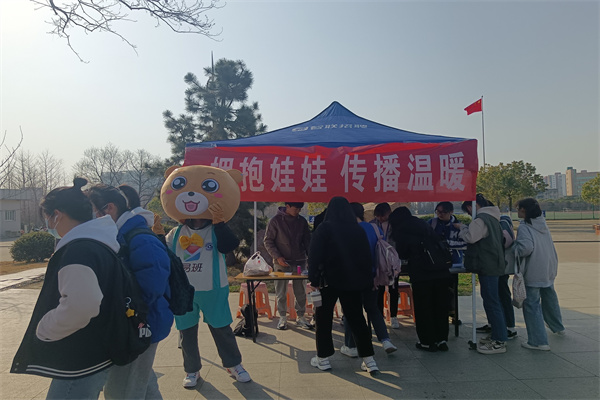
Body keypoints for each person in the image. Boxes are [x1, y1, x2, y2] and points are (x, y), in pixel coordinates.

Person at [11, 178, 120, 399]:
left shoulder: (78, 250)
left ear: (57, 214)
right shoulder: (98, 242)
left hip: (79, 356)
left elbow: (82, 306)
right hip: (97, 348)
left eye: (46, 217)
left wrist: (44, 328)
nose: (48, 224)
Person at [159, 164, 251, 387]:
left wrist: (220, 223)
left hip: (213, 289)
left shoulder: (216, 230)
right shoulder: (176, 233)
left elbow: (228, 245)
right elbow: (163, 255)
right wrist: (158, 236)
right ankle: (192, 370)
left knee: (221, 329)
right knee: (186, 332)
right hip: (184, 291)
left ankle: (234, 364)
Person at [86, 184, 173, 399]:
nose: (90, 218)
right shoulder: (121, 235)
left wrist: (122, 311)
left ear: (109, 208)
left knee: (121, 391)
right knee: (143, 385)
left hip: (139, 325)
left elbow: (152, 285)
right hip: (134, 324)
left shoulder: (139, 238)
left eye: (92, 211)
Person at [308, 197, 380, 375]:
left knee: (323, 319)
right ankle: (369, 360)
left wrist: (314, 280)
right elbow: (366, 257)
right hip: (353, 282)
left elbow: (314, 255)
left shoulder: (324, 228)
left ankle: (323, 359)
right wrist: (367, 281)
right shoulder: (357, 230)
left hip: (328, 282)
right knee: (357, 319)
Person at [389, 206, 451, 352]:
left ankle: (427, 342)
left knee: (424, 308)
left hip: (422, 273)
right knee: (440, 306)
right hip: (441, 271)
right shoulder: (423, 224)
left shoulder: (402, 229)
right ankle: (441, 340)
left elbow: (402, 253)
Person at [340, 203, 398, 357]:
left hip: (353, 277)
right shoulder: (374, 228)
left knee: (351, 311)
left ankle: (351, 346)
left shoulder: (348, 229)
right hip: (373, 276)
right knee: (373, 309)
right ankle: (386, 340)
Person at [455, 194, 507, 354]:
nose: (469, 214)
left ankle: (499, 340)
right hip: (494, 263)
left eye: (468, 211)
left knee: (492, 303)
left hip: (487, 265)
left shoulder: (481, 219)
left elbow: (471, 237)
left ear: (471, 206)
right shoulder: (493, 217)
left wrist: (462, 228)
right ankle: (497, 335)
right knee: (493, 301)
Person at [514, 197, 565, 351]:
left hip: (534, 269)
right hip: (548, 266)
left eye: (518, 208)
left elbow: (526, 248)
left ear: (523, 210)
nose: (517, 211)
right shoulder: (542, 223)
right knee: (550, 297)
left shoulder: (525, 227)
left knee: (532, 304)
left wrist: (513, 249)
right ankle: (557, 326)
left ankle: (538, 341)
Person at [264, 201, 312, 330]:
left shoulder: (302, 221)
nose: (298, 211)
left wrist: (311, 258)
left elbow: (307, 241)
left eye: (300, 209)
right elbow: (268, 241)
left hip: (300, 261)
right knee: (281, 292)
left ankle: (300, 316)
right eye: (296, 208)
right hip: (281, 262)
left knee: (301, 291)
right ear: (287, 206)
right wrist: (277, 256)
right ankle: (282, 317)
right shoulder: (275, 221)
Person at [475, 201, 518, 340]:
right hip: (499, 262)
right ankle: (495, 324)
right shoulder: (500, 218)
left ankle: (508, 328)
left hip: (498, 263)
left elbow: (505, 241)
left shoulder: (496, 220)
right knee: (496, 296)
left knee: (500, 296)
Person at [371, 203, 401, 329]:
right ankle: (379, 316)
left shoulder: (395, 224)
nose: (380, 218)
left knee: (393, 288)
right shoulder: (372, 224)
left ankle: (393, 316)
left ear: (389, 213)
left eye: (383, 216)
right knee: (379, 289)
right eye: (378, 216)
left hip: (392, 261)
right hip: (378, 260)